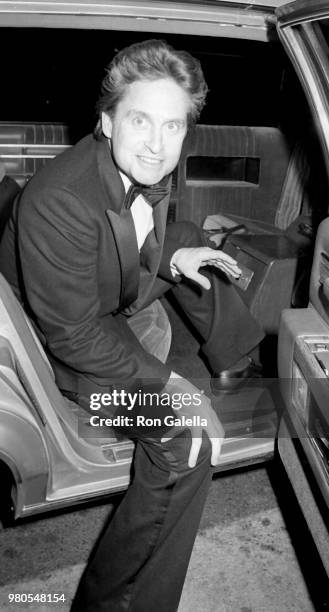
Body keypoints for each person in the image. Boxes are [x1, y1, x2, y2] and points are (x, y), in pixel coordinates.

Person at [0, 39, 264, 611]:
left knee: (194, 243)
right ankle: (117, 601)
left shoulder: (134, 169)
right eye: (140, 121)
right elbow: (73, 335)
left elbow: (128, 243)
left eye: (173, 127)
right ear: (106, 119)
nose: (157, 143)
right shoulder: (61, 200)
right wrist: (171, 385)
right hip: (66, 350)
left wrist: (172, 261)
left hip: (101, 298)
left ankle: (237, 361)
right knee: (187, 440)